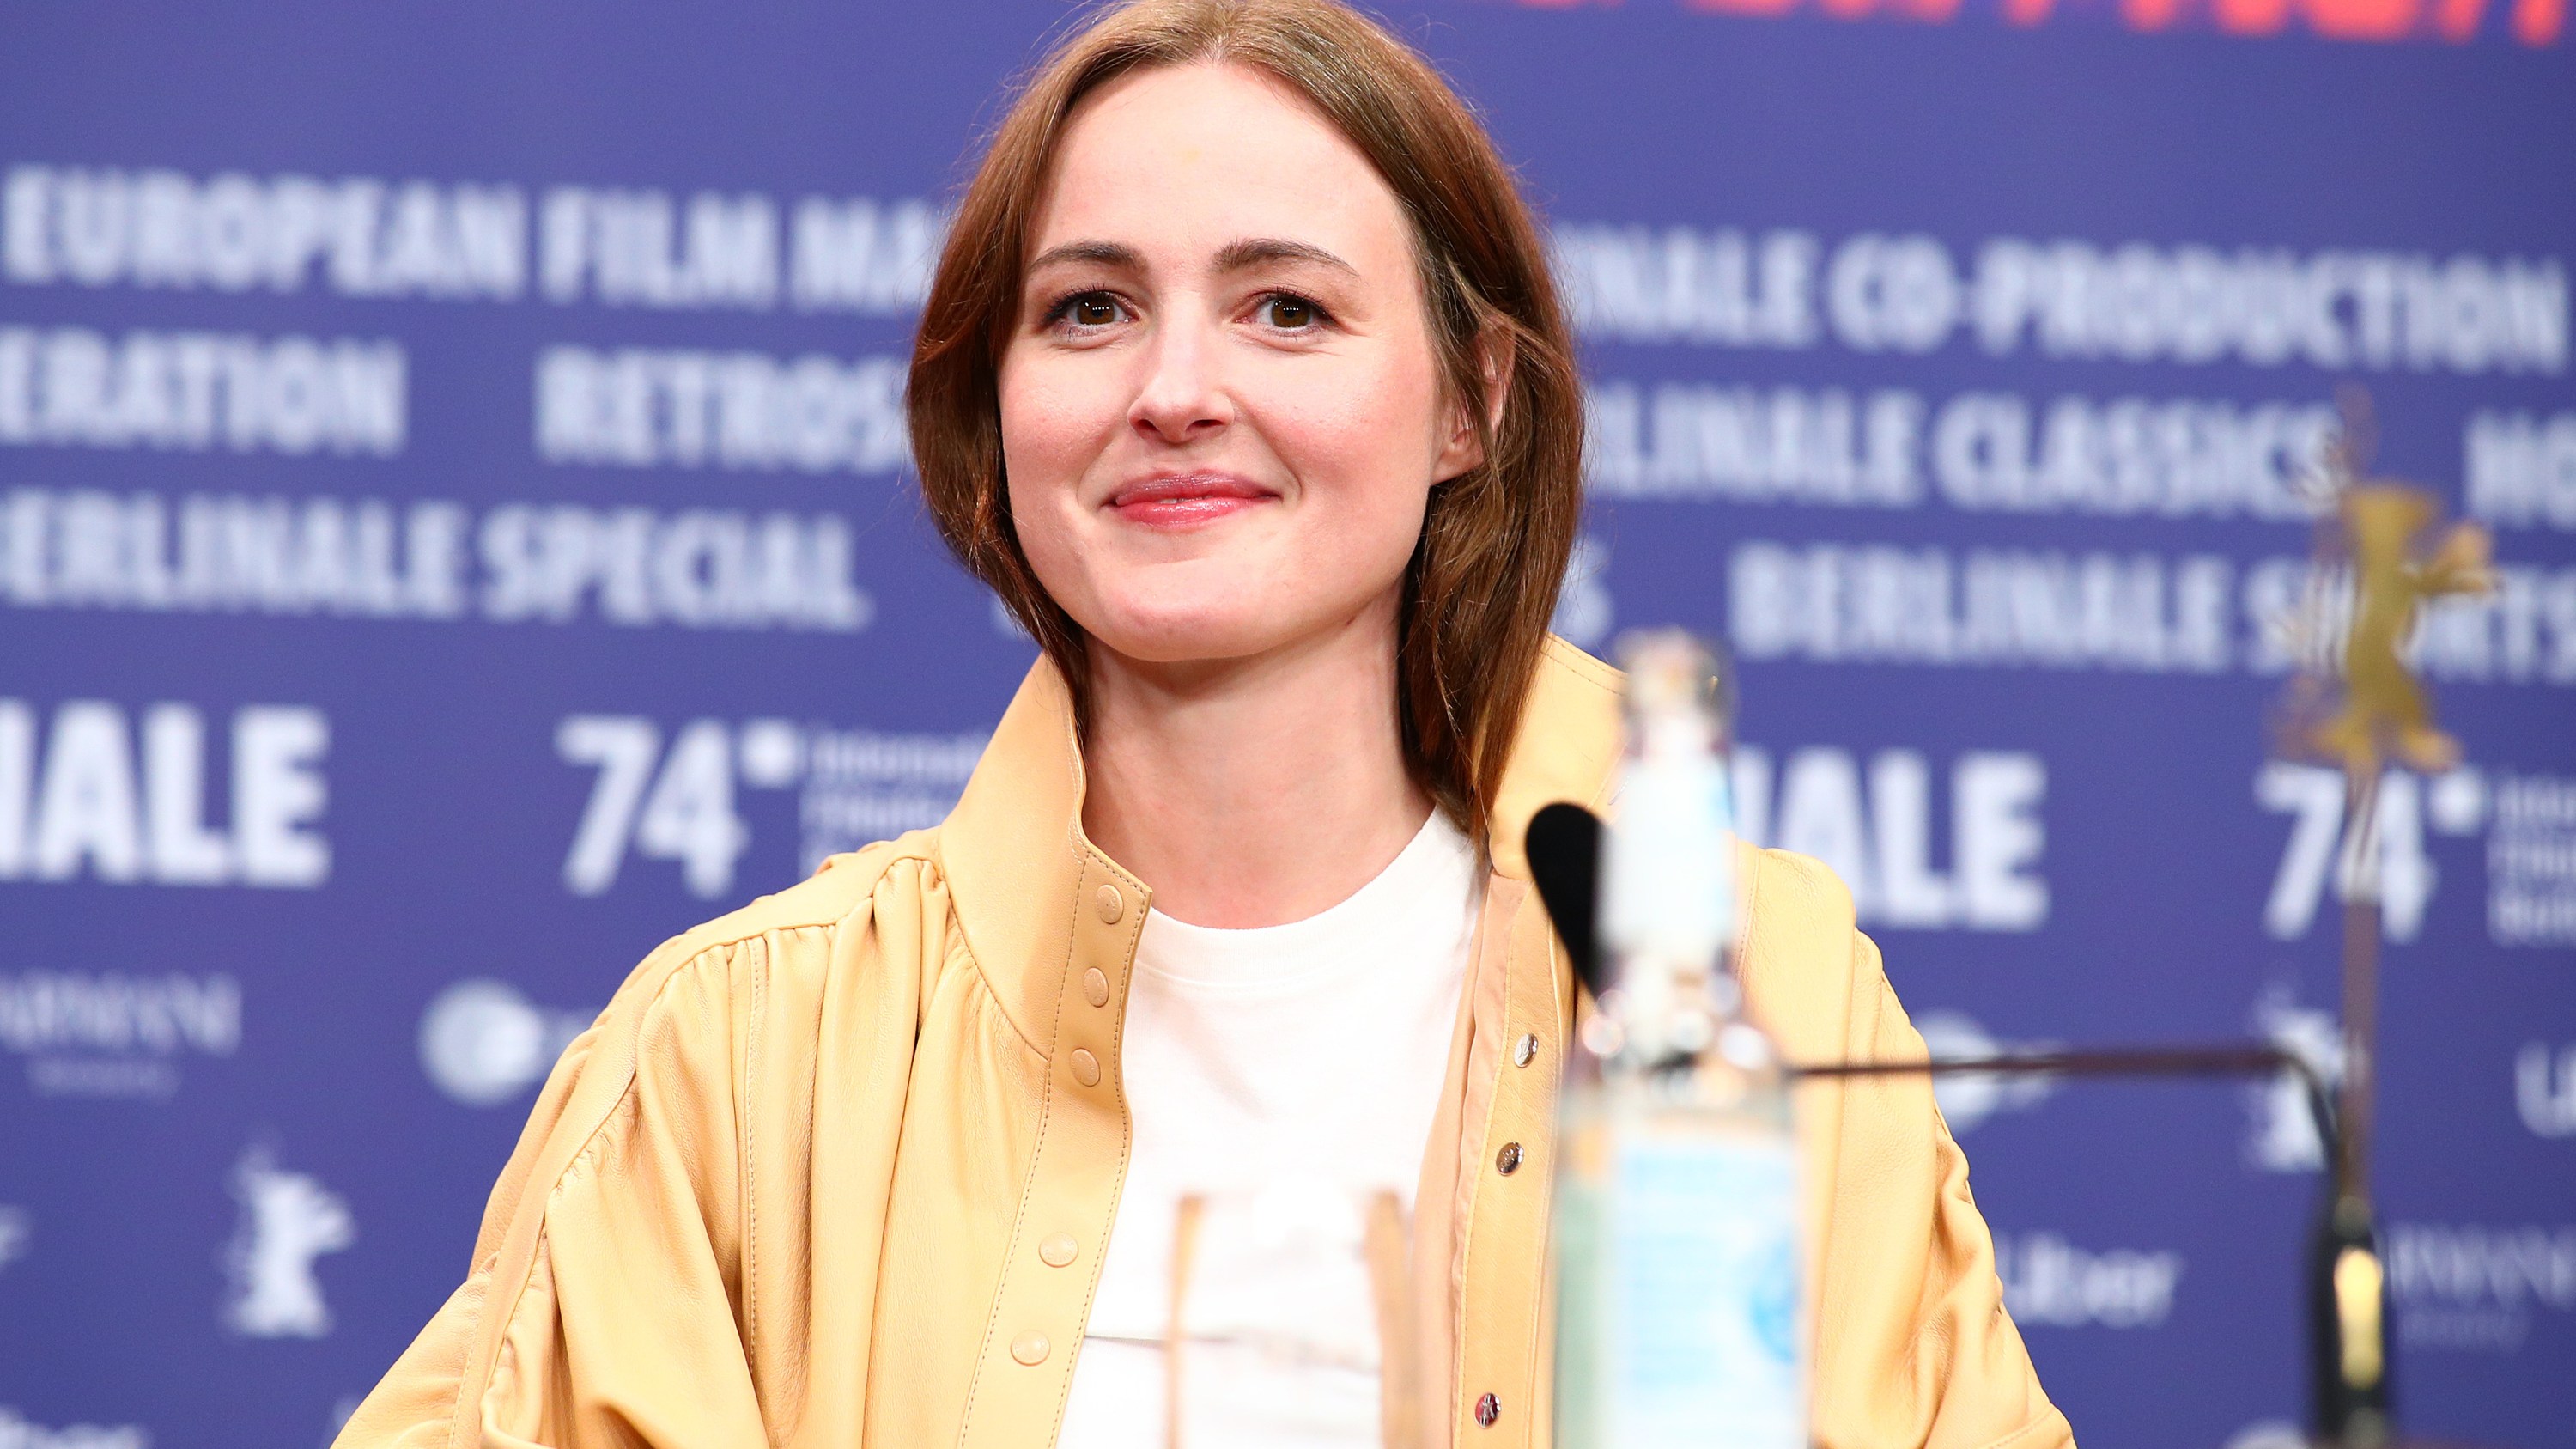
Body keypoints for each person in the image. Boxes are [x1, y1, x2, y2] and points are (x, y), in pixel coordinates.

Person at [336, 2, 2073, 1446]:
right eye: (1088, 309)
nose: (1174, 391)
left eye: (1287, 310)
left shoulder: (1760, 981)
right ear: (996, 404)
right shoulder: (728, 1054)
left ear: (1472, 404)